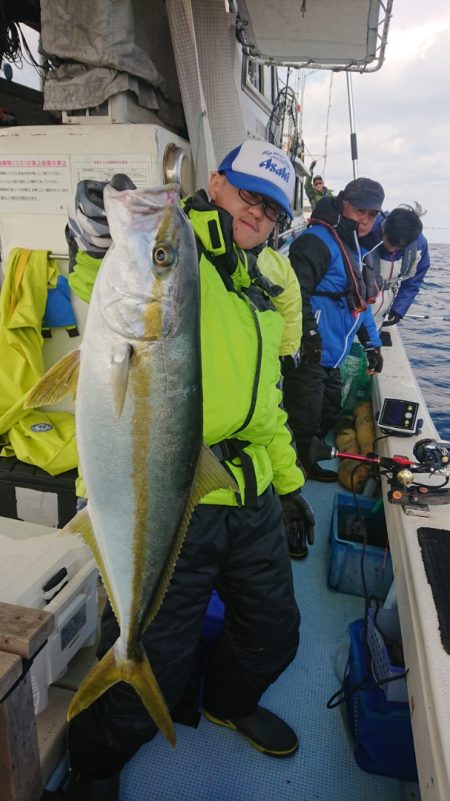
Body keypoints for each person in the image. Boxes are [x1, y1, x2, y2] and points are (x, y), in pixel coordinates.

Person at [67, 139, 315, 800]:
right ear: (215, 182)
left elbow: (267, 408)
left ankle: (230, 701)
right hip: (179, 491)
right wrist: (95, 231)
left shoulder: (263, 281)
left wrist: (290, 486)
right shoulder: (187, 255)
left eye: (271, 207)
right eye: (246, 193)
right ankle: (96, 762)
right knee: (158, 649)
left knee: (274, 629)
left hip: (249, 489)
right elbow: (106, 280)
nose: (257, 212)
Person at [282, 177, 385, 483]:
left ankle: (310, 449)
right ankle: (302, 463)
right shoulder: (318, 240)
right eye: (359, 210)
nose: (365, 219)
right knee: (305, 416)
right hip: (310, 352)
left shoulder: (353, 248)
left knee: (328, 413)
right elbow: (293, 292)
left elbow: (359, 304)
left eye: (373, 213)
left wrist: (372, 344)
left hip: (334, 356)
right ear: (343, 204)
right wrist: (308, 334)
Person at [360, 203, 430, 326]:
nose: (393, 249)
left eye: (400, 247)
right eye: (391, 242)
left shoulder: (419, 245)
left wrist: (398, 310)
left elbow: (413, 282)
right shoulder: (364, 231)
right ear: (384, 229)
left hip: (380, 313)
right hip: (355, 308)